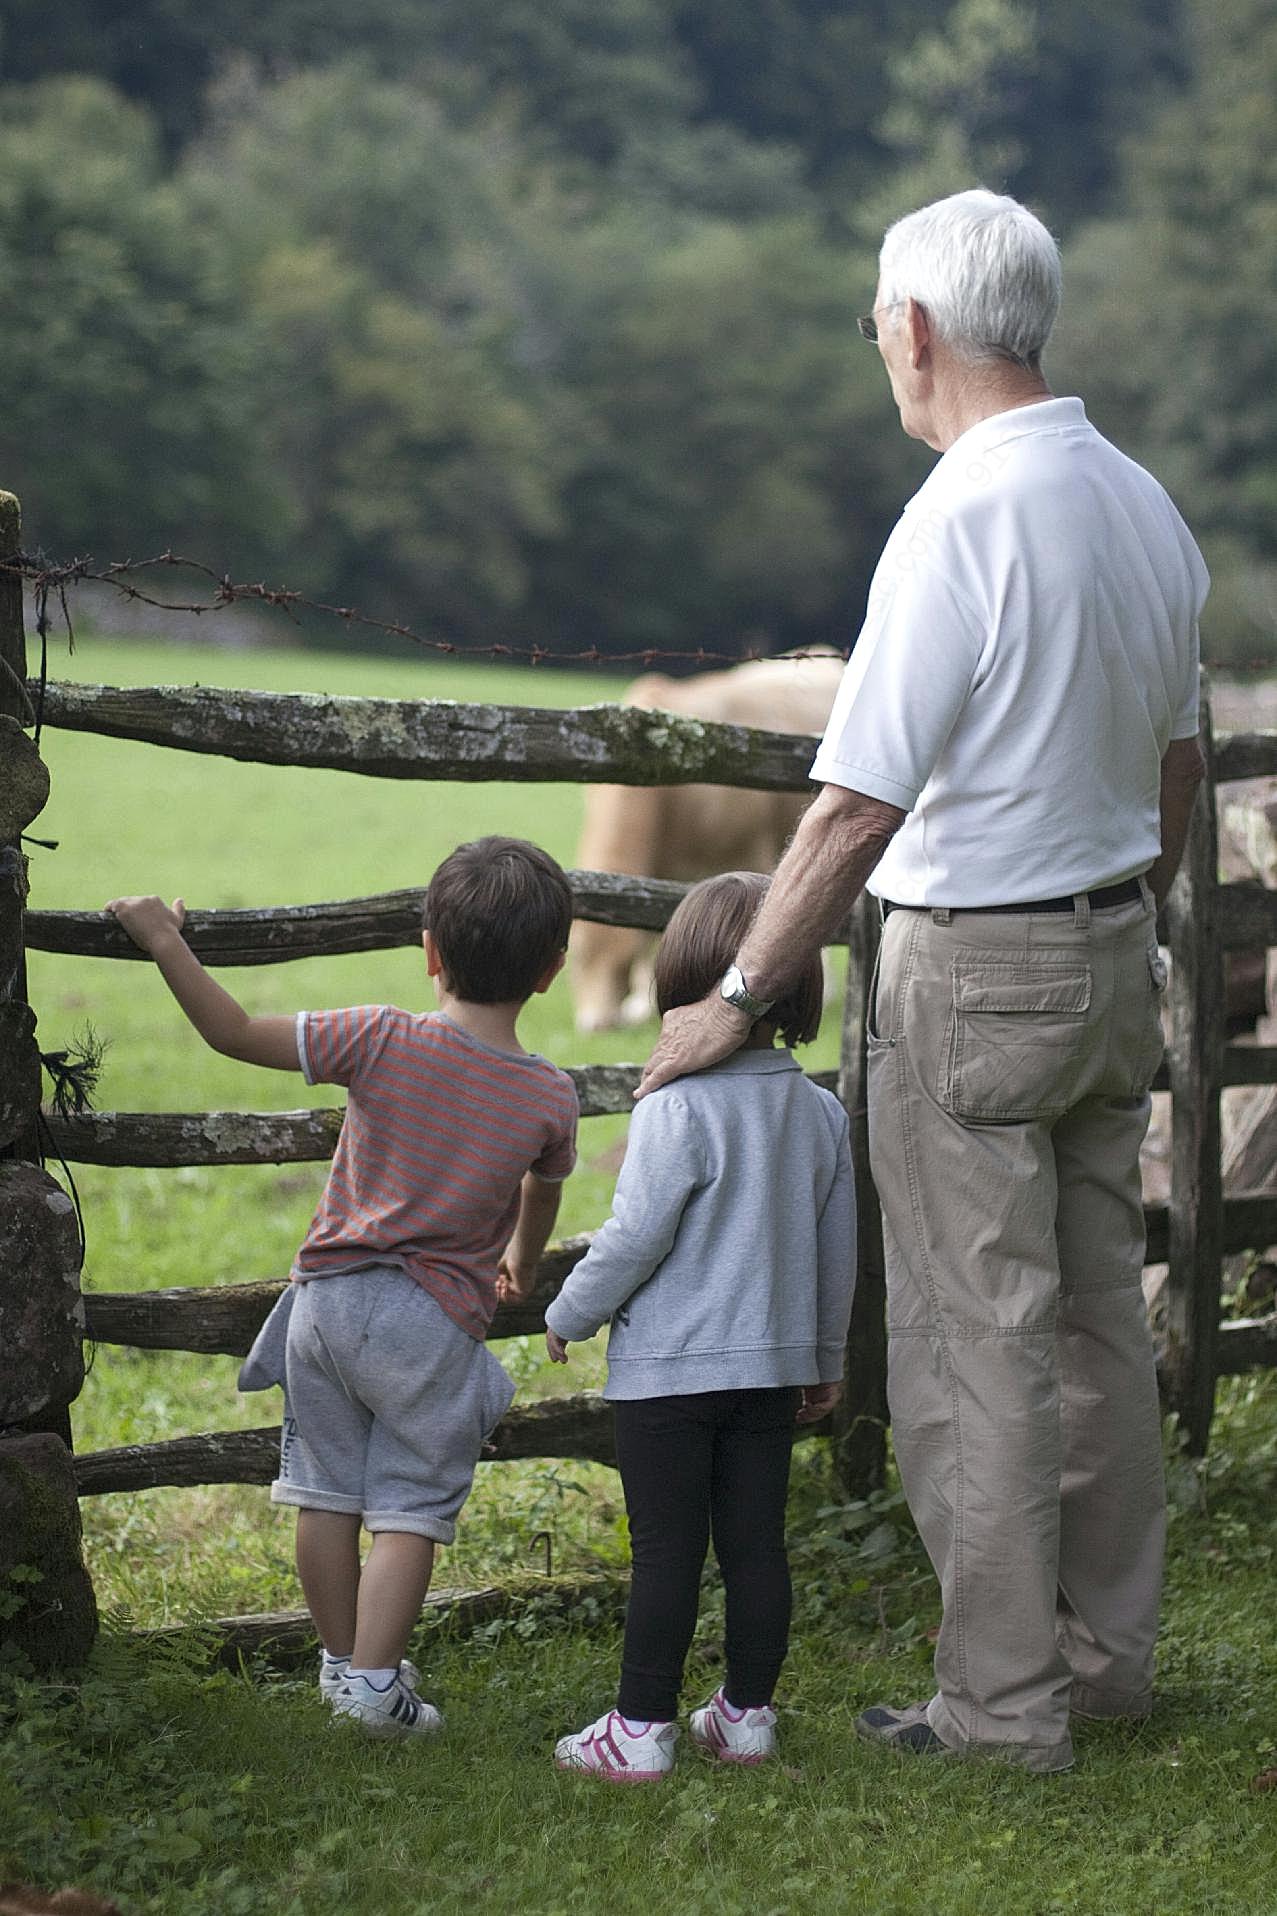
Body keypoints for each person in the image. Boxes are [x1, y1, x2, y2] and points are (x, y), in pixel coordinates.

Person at [637, 188, 1208, 1774]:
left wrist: (738, 995)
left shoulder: (960, 515)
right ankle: (1106, 1667)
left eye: (874, 327)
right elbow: (1176, 766)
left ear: (914, 330)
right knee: (1098, 1326)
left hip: (976, 973)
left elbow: (853, 807)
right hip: (1111, 955)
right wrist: (1118, 906)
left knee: (979, 1344)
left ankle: (1002, 1708)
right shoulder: (1142, 502)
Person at [105, 836, 578, 1738]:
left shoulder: (377, 1036)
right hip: (430, 1325)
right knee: (410, 1507)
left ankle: (336, 1664)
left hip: (322, 1302)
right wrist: (523, 1259)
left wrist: (166, 938)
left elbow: (233, 1033)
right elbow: (541, 1194)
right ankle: (372, 1688)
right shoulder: (546, 1097)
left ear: (430, 950)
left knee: (322, 1490)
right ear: (553, 970)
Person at [547, 871, 855, 1781]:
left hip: (668, 1380)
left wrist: (571, 1311)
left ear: (683, 974)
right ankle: (745, 1717)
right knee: (757, 1544)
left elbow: (635, 1236)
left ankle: (639, 1731)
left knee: (666, 1553)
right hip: (767, 1375)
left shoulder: (672, 1106)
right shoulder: (821, 1112)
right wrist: (824, 1359)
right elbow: (838, 1250)